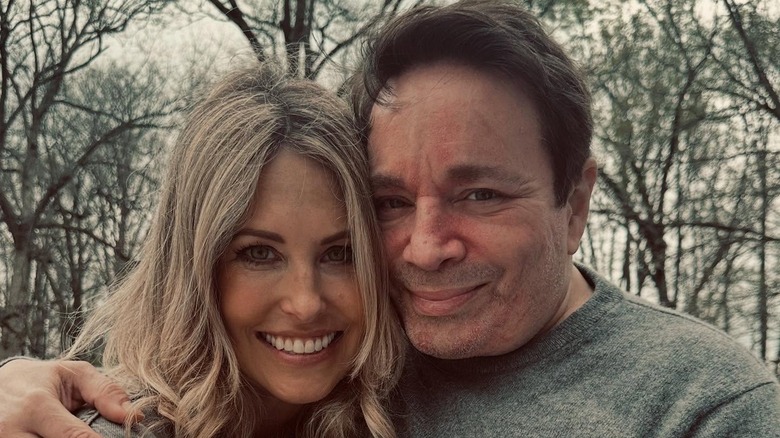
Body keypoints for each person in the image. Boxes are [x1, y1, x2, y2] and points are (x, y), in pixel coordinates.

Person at [1, 0, 779, 436]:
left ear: (574, 203)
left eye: (480, 194)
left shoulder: (703, 407)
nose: (426, 247)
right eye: (390, 204)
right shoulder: (333, 370)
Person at [0, 64, 404, 437]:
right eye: (259, 254)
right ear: (192, 269)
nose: (306, 303)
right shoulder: (115, 427)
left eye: (341, 254)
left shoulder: (419, 411)